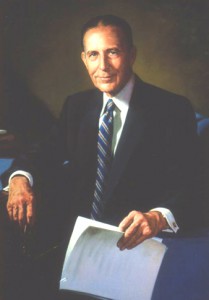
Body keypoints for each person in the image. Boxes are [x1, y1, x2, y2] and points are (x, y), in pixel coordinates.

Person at [3, 14, 203, 299]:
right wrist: (21, 179)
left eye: (113, 52)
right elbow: (41, 154)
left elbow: (195, 186)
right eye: (94, 55)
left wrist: (158, 217)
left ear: (131, 55)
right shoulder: (77, 106)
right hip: (81, 252)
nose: (103, 66)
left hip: (140, 253)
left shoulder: (170, 110)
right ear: (84, 59)